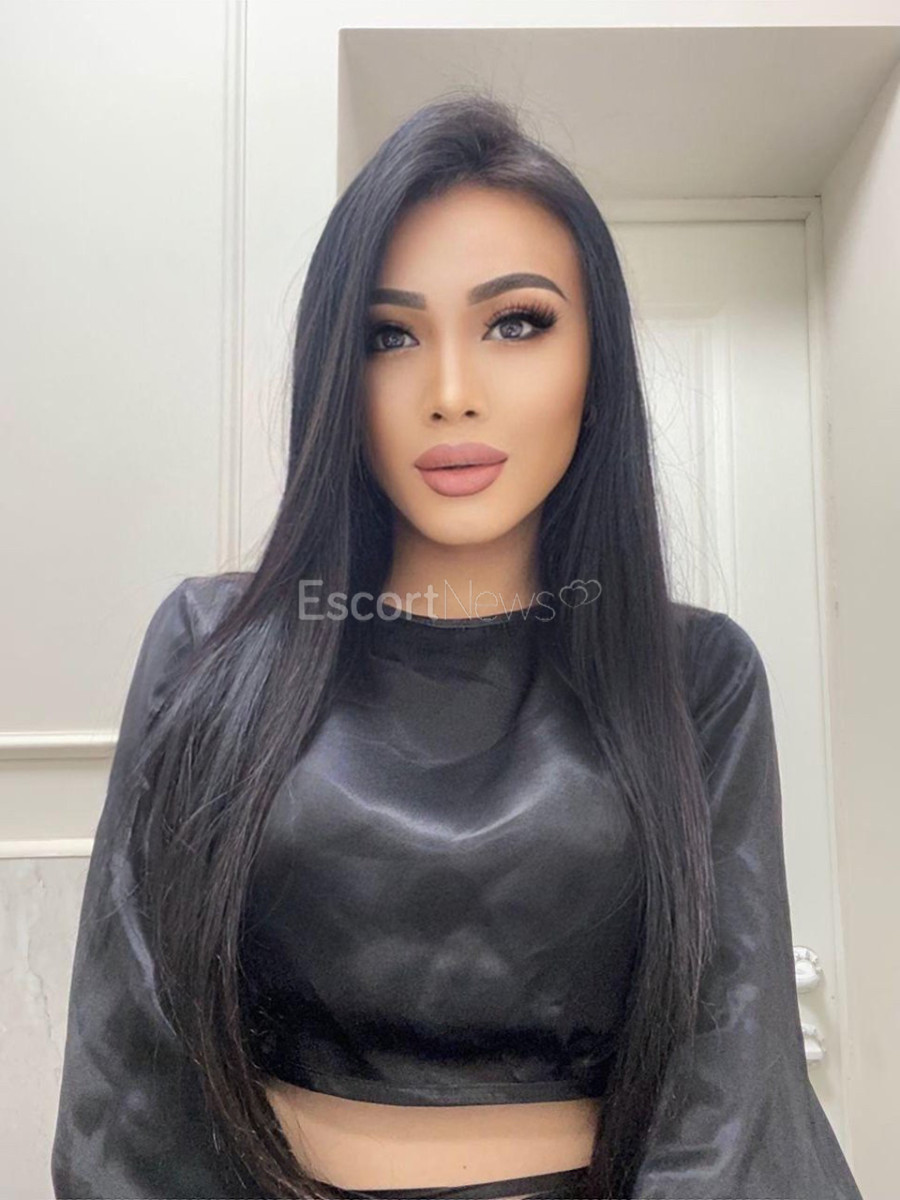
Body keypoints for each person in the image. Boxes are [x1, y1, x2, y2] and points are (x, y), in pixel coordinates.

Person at [51, 93, 864, 1200]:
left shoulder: (698, 679)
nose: (450, 395)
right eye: (389, 335)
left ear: (597, 365)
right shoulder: (210, 649)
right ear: (338, 375)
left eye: (516, 323)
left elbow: (725, 1092)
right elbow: (130, 1090)